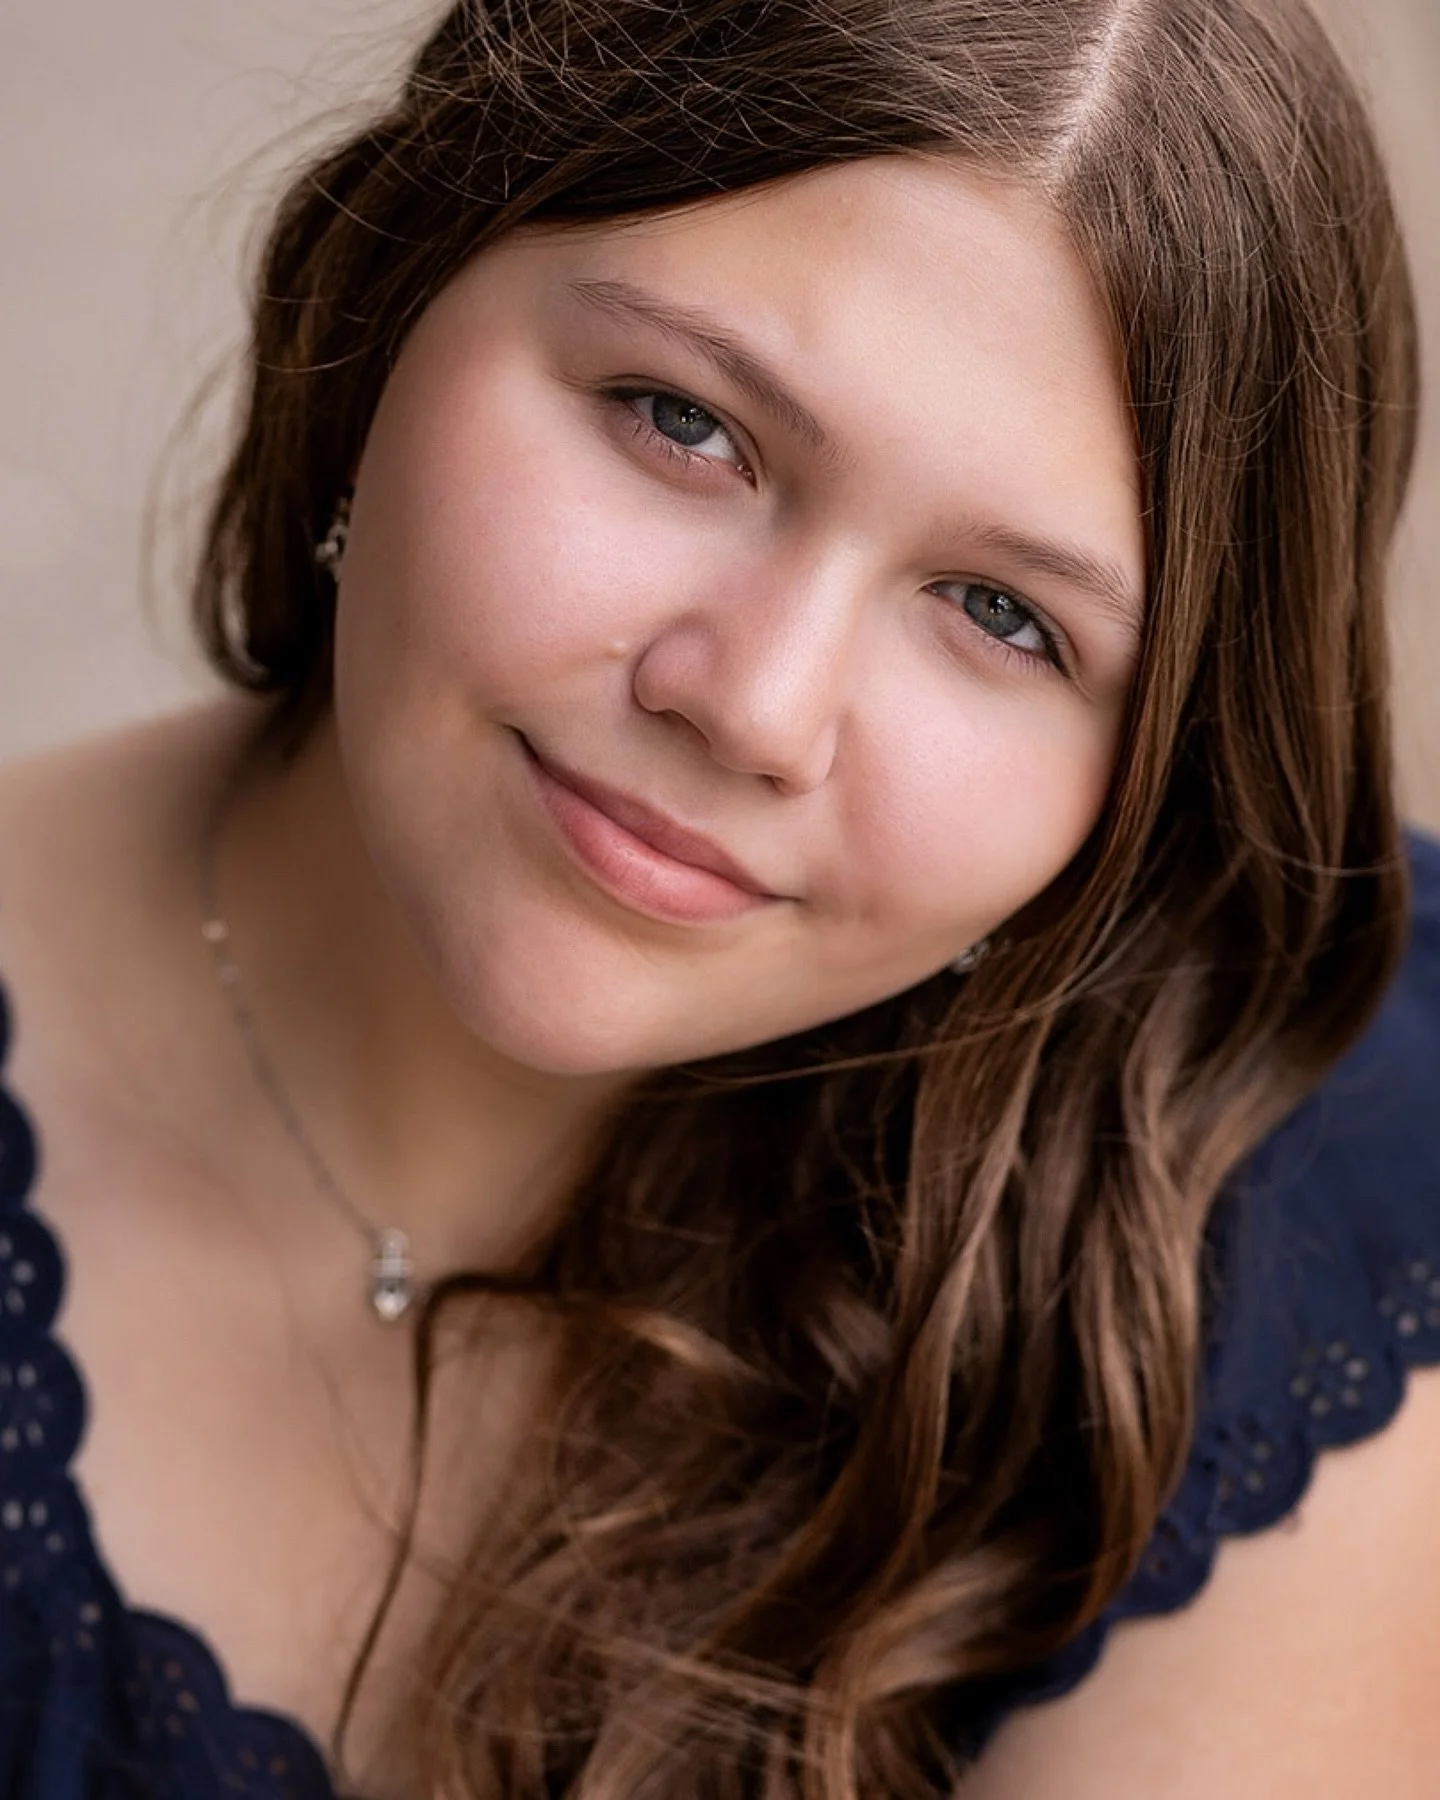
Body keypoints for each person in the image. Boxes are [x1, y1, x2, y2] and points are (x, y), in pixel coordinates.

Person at [0, 0, 1435, 1794]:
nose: (752, 705)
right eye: (682, 423)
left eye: (1004, 616)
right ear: (386, 308)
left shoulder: (1288, 1178)